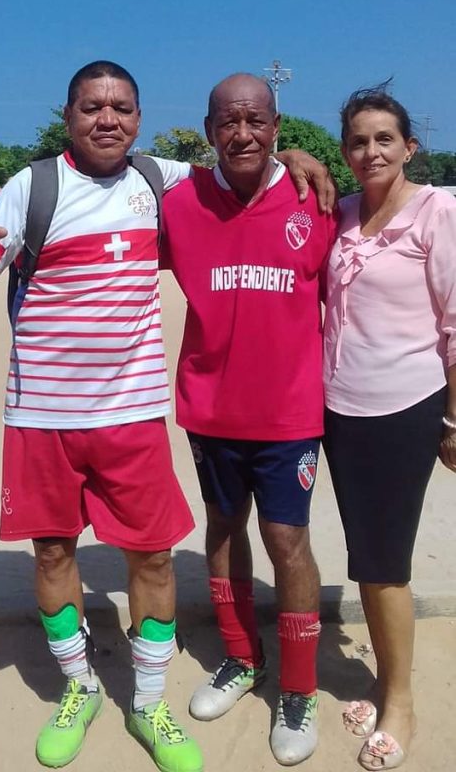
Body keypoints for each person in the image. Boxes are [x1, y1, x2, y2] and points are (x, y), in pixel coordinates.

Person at [0, 60, 331, 772]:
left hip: (134, 411)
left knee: (151, 556)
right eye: (92, 107)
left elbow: (244, 159)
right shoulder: (32, 187)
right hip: (41, 413)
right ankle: (80, 687)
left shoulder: (160, 180)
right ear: (68, 116)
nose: (107, 119)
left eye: (121, 107)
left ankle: (148, 702)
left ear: (140, 119)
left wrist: (297, 152)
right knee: (52, 553)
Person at [159, 74, 336, 766]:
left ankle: (299, 688)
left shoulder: (314, 200)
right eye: (228, 123)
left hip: (290, 411)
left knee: (287, 539)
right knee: (224, 526)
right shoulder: (179, 202)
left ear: (277, 126)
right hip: (210, 409)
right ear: (208, 131)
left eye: (256, 121)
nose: (242, 134)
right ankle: (242, 657)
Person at [322, 82, 456, 770]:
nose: (370, 151)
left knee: (387, 564)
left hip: (405, 409)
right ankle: (381, 680)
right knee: (367, 560)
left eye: (384, 139)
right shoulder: (342, 213)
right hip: (340, 410)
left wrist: (455, 419)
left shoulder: (437, 211)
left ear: (409, 146)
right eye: (357, 140)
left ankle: (401, 701)